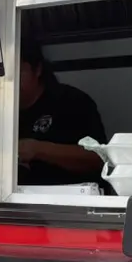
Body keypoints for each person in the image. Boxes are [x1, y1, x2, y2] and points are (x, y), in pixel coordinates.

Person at [17, 39, 108, 187]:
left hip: (71, 202)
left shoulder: (71, 101)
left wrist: (37, 149)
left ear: (38, 69)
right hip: (13, 202)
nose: (9, 81)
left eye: (17, 71)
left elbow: (98, 158)